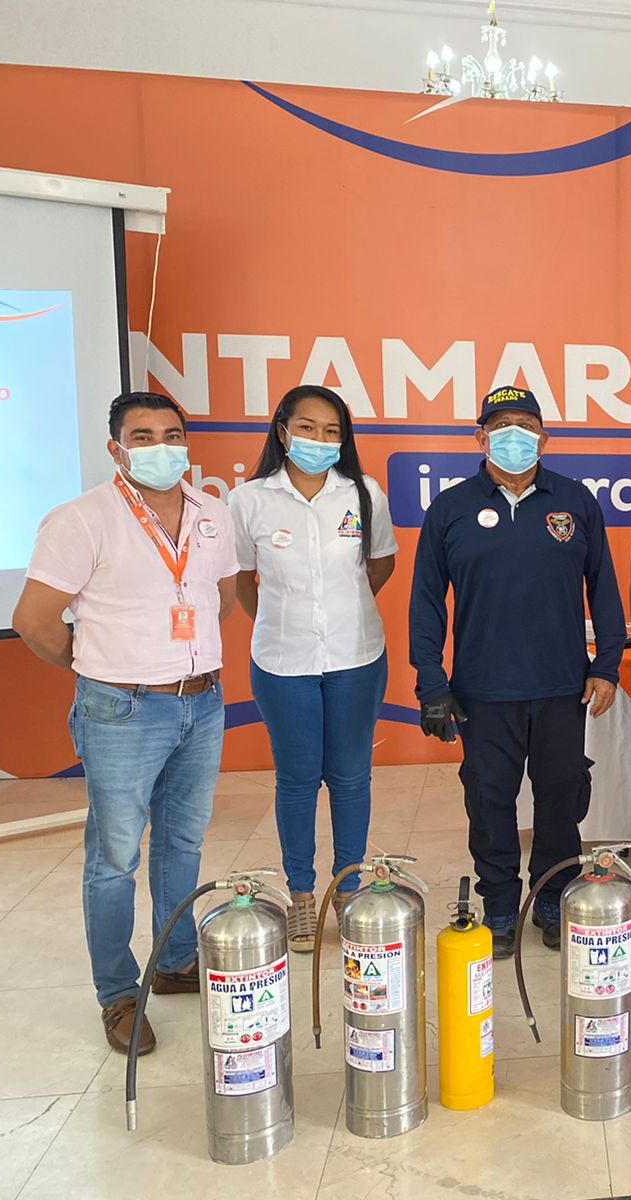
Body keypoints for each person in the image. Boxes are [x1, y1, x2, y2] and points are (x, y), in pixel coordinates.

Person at [11, 391, 239, 1054]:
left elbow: (219, 600)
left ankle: (175, 960)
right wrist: (100, 667)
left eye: (172, 434)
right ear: (117, 449)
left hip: (201, 700)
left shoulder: (212, 514)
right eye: (143, 437)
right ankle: (117, 993)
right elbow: (34, 620)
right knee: (115, 857)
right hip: (121, 708)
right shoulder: (81, 519)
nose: (161, 448)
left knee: (183, 843)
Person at [409, 386, 625, 958]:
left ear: (544, 438)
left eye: (526, 425)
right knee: (489, 801)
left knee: (560, 797)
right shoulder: (450, 508)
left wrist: (606, 666)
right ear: (480, 437)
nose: (514, 435)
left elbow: (603, 588)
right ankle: (500, 904)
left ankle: (551, 898)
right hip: (482, 691)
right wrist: (431, 683)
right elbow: (426, 603)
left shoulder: (575, 501)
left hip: (562, 686)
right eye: (501, 424)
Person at [229, 384, 397, 953]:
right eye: (307, 428)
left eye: (332, 431)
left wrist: (344, 610)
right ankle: (301, 895)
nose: (319, 440)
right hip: (283, 661)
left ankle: (347, 889)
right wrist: (285, 618)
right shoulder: (249, 500)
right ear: (283, 432)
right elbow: (243, 581)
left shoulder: (364, 493)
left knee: (350, 777)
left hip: (357, 657)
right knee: (298, 779)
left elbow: (380, 564)